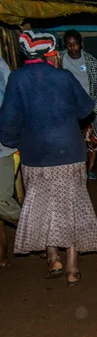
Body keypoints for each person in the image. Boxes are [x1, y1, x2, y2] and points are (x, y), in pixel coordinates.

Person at [0, 31, 97, 286]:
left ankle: (52, 259)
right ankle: (71, 267)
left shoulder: (16, 78)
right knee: (70, 207)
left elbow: (9, 123)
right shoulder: (63, 76)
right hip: (69, 152)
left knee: (43, 206)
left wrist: (13, 142)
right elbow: (85, 109)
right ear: (50, 53)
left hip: (36, 156)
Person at [61, 30, 97, 180]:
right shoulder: (59, 60)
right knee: (73, 140)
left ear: (81, 44)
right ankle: (75, 170)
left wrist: (96, 108)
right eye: (69, 44)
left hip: (89, 106)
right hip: (68, 107)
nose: (72, 47)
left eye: (75, 44)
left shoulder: (91, 62)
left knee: (93, 140)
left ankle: (90, 169)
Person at [0, 55, 18, 269]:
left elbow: (11, 100)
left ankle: (37, 232)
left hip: (2, 148)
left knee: (2, 202)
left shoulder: (1, 66)